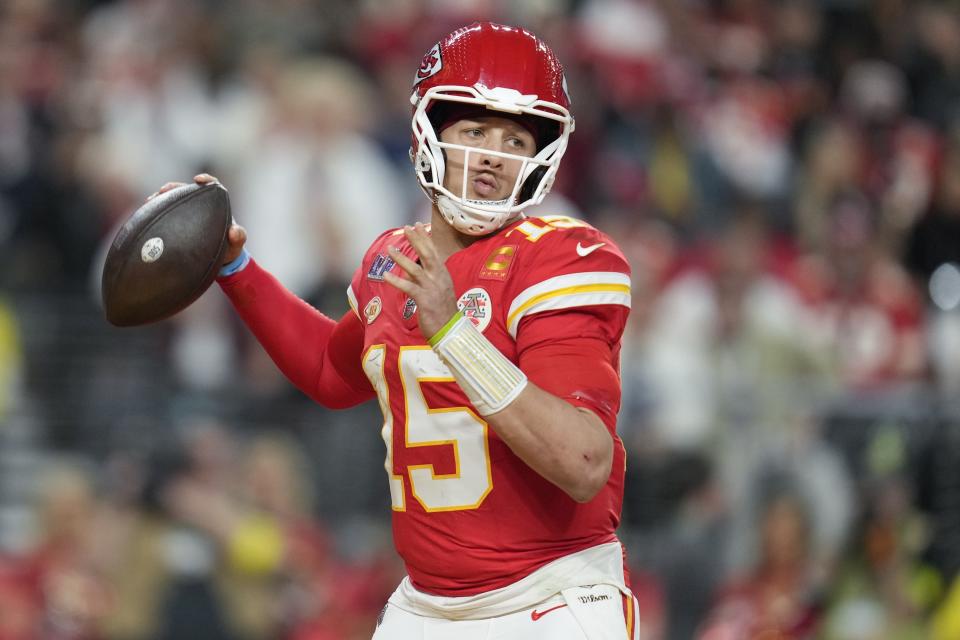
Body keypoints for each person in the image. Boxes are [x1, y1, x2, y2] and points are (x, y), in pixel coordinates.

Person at [154, 21, 635, 639]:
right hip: (427, 606)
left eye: (515, 138)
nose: (492, 154)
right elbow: (332, 371)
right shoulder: (394, 260)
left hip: (548, 598)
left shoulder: (563, 255)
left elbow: (583, 459)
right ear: (430, 133)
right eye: (475, 130)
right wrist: (235, 269)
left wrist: (452, 333)